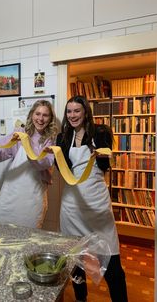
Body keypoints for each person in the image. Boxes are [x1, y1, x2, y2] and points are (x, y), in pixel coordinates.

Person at [55, 96, 128, 302]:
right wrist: (53, 157)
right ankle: (81, 298)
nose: (72, 116)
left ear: (86, 112)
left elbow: (105, 167)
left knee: (113, 267)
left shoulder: (100, 132)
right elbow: (63, 170)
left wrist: (102, 155)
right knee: (77, 260)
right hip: (71, 208)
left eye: (77, 111)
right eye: (69, 111)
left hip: (97, 208)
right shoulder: (62, 138)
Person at [0, 100, 57, 229]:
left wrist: (28, 143)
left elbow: (43, 163)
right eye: (37, 114)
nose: (40, 118)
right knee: (1, 229)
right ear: (31, 115)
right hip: (11, 193)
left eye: (45, 115)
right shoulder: (19, 132)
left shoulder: (50, 140)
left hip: (33, 196)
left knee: (29, 233)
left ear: (50, 119)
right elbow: (0, 153)